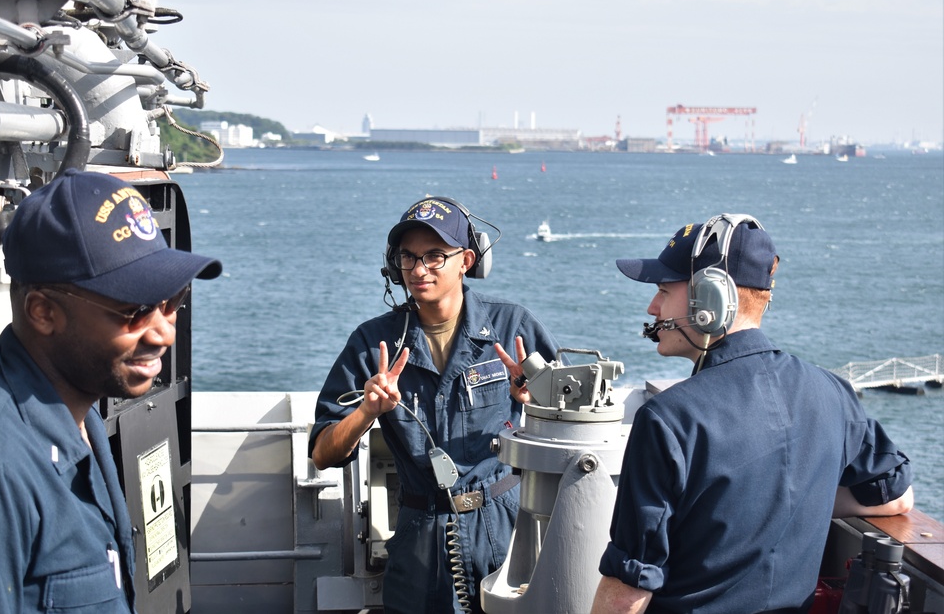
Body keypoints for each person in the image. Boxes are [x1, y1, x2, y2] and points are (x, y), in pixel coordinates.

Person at [591, 213, 914, 614]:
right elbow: (897, 497)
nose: (652, 307)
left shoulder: (668, 420)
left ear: (709, 298)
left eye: (663, 290)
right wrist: (795, 497)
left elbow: (628, 591)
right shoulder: (833, 392)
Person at [0, 168, 221, 613]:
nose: (164, 332)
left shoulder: (81, 414)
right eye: (136, 310)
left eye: (173, 301)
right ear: (43, 311)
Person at [309, 196, 559, 614]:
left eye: (434, 256)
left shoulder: (513, 328)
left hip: (507, 530)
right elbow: (322, 453)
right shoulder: (374, 344)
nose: (419, 270)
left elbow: (570, 427)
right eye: (408, 258)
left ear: (466, 260)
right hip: (419, 539)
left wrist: (535, 406)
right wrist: (366, 413)